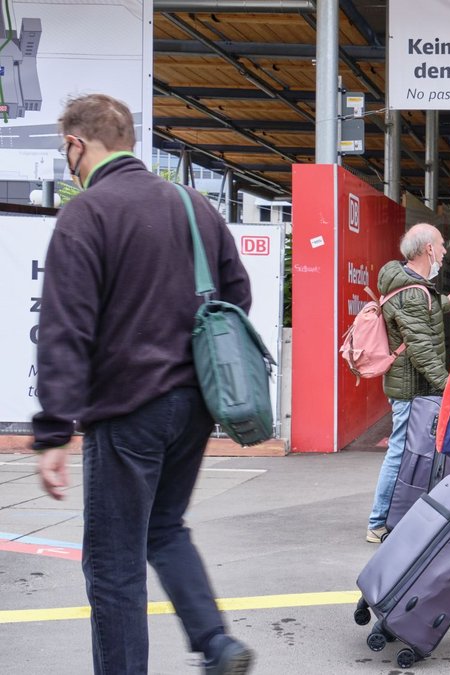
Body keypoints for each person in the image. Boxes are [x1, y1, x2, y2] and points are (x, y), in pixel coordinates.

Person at [32, 94, 255, 674]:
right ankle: (215, 642)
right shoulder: (192, 205)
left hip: (127, 409)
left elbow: (64, 328)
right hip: (194, 409)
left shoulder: (89, 213)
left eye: (67, 152)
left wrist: (54, 430)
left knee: (112, 564)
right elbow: (237, 298)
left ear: (79, 145)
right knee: (164, 526)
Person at [366, 223, 450, 543]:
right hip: (410, 387)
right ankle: (378, 521)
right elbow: (420, 346)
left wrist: (447, 302)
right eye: (441, 244)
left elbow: (422, 316)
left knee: (412, 453)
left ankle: (401, 515)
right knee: (399, 452)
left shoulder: (414, 286)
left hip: (411, 384)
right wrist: (449, 385)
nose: (445, 250)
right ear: (428, 250)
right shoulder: (412, 290)